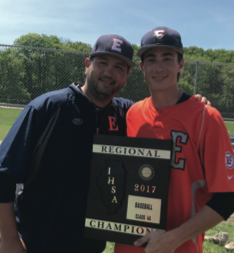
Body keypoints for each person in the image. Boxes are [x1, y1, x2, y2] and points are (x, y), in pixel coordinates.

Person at [0, 33, 210, 253]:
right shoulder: (49, 107)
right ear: (87, 65)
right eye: (102, 63)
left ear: (127, 76)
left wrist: (190, 103)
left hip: (90, 245)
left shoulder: (126, 113)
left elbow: (160, 111)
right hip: (36, 242)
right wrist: (9, 240)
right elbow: (4, 174)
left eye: (119, 67)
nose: (109, 72)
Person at [114, 27, 234, 253]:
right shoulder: (132, 114)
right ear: (142, 67)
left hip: (180, 247)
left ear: (181, 64)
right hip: (129, 246)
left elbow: (227, 197)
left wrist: (174, 238)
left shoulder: (206, 117)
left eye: (167, 58)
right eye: (151, 59)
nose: (159, 67)